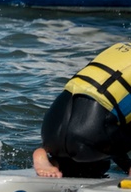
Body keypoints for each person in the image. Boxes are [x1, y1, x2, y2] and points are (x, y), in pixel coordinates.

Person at [32, 42, 131, 178]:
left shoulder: (121, 47)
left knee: (112, 117)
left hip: (51, 130)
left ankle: (49, 155)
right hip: (88, 137)